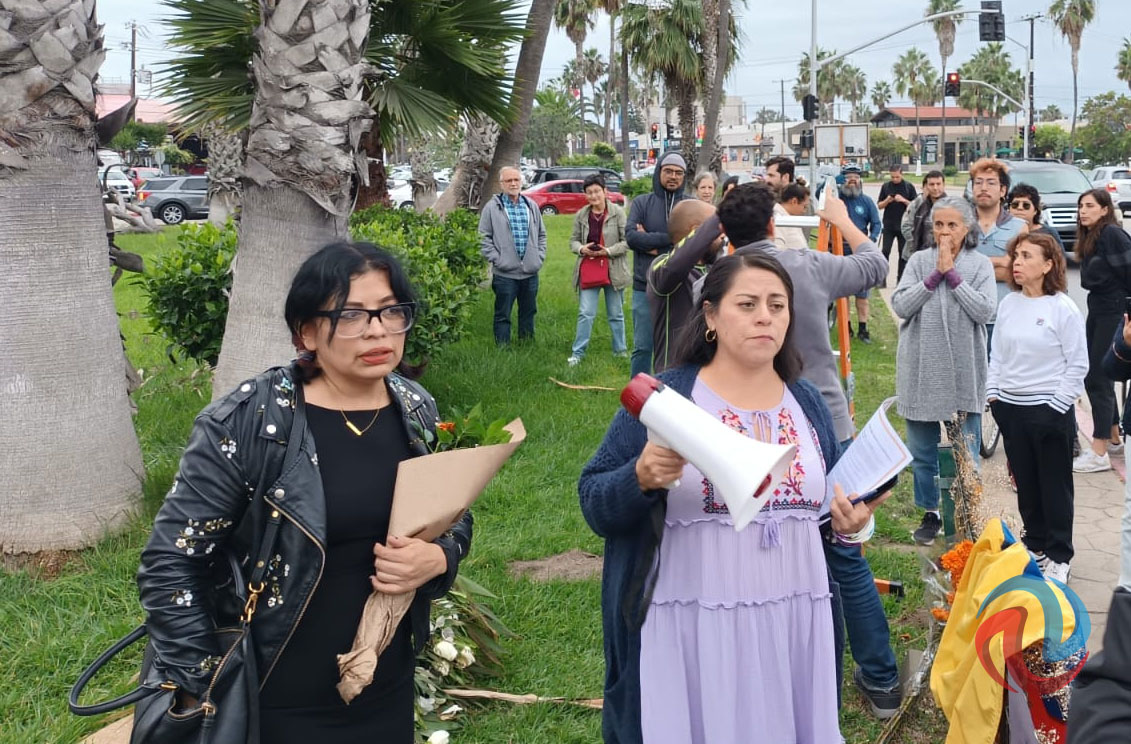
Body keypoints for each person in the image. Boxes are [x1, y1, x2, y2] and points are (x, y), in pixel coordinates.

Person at [137, 243, 473, 742]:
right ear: (306, 331)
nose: (378, 330)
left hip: (384, 682)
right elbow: (171, 561)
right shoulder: (250, 422)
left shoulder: (415, 408)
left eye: (390, 312)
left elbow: (452, 512)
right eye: (352, 315)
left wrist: (440, 558)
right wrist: (204, 683)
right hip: (273, 698)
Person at [580, 251, 887, 744]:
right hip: (691, 624)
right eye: (747, 304)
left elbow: (824, 513)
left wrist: (851, 525)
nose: (765, 316)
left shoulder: (806, 402)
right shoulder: (669, 399)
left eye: (777, 305)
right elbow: (593, 497)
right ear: (710, 316)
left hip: (793, 619)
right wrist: (638, 478)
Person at [719, 182, 901, 718]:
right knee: (843, 554)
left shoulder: (720, 283)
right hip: (823, 426)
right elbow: (874, 266)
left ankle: (773, 679)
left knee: (760, 555)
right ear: (774, 225)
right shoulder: (809, 266)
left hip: (750, 433)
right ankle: (880, 680)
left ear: (728, 235)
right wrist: (841, 219)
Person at [892, 196, 997, 545]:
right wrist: (934, 275)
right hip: (920, 368)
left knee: (965, 451)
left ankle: (969, 513)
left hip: (963, 371)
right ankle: (931, 512)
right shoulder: (919, 261)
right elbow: (901, 305)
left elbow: (984, 311)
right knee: (922, 452)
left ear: (966, 229)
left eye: (952, 225)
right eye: (938, 224)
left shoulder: (980, 265)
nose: (944, 231)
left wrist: (953, 275)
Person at [985, 232, 1087, 584]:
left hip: (1050, 413)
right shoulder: (1009, 304)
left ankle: (1060, 555)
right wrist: (993, 395)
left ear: (1047, 265)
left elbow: (1078, 365)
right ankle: (1036, 546)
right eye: (1015, 255)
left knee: (1054, 486)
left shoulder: (1062, 308)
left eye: (1026, 256)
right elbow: (996, 354)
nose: (1016, 262)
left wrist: (1055, 406)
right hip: (1011, 410)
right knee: (1026, 484)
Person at [1072, 188, 1131, 473]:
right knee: (1096, 374)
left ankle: (1099, 450)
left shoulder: (1112, 235)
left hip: (1113, 310)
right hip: (1098, 309)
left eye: (1090, 206)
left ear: (1105, 209)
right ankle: (1115, 438)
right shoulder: (1093, 237)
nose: (1083, 210)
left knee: (1098, 376)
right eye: (1081, 206)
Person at [627, 151, 689, 376]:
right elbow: (632, 238)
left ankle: (670, 394)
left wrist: (652, 243)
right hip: (644, 286)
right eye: (668, 171)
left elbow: (697, 241)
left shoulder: (689, 204)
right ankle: (636, 399)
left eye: (678, 173)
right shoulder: (642, 203)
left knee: (678, 348)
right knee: (643, 347)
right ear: (659, 172)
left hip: (681, 289)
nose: (673, 176)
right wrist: (673, 240)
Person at [646, 199, 724, 372]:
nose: (722, 237)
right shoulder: (660, 268)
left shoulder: (714, 268)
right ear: (697, 232)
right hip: (674, 374)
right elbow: (674, 267)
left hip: (709, 373)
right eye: (717, 231)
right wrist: (720, 216)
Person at [478, 166, 547, 346]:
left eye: (516, 180)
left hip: (530, 272)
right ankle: (503, 348)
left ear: (521, 182)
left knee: (528, 311)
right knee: (503, 314)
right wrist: (498, 259)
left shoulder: (530, 205)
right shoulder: (492, 208)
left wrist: (538, 258)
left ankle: (527, 345)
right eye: (509, 180)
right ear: (501, 184)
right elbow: (483, 237)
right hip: (505, 274)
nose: (513, 183)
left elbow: (542, 235)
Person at [568, 174, 630, 366]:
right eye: (589, 193)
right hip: (589, 268)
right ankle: (577, 354)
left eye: (597, 191)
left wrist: (608, 251)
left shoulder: (618, 212)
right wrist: (581, 249)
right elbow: (573, 240)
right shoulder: (581, 214)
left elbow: (627, 241)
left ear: (605, 192)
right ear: (585, 195)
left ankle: (620, 351)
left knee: (616, 313)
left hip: (613, 269)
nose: (594, 196)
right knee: (586, 312)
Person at [966, 158, 1026, 343]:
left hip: (1005, 319)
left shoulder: (1019, 227)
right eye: (978, 182)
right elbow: (955, 270)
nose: (983, 188)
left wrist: (975, 265)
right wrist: (1001, 261)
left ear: (1003, 190)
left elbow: (1018, 274)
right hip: (967, 318)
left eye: (991, 183)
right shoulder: (960, 225)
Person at [839, 166, 882, 343]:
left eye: (855, 178)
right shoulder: (837, 200)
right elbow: (819, 194)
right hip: (841, 251)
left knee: (862, 294)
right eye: (848, 178)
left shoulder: (866, 201)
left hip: (861, 252)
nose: (852, 181)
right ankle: (846, 326)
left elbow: (877, 224)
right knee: (844, 293)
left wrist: (870, 240)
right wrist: (838, 179)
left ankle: (863, 329)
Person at [900, 170, 947, 279]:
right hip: (916, 256)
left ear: (944, 185)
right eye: (931, 184)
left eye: (938, 184)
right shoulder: (917, 205)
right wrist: (916, 246)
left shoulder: (952, 206)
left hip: (941, 259)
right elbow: (906, 227)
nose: (935, 188)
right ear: (926, 186)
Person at [876, 164, 917, 286]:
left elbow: (915, 206)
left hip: (904, 225)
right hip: (888, 224)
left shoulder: (908, 187)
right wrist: (887, 200)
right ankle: (882, 280)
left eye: (897, 177)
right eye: (892, 177)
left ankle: (900, 280)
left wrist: (903, 200)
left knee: (902, 253)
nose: (895, 179)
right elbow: (879, 205)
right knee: (885, 251)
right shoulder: (886, 186)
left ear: (901, 174)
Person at [764, 155, 808, 254]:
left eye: (771, 175)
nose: (767, 180)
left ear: (786, 177)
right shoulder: (767, 203)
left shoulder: (801, 204)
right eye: (767, 175)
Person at [1007, 183, 1065, 252]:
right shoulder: (1001, 230)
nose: (1020, 208)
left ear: (1035, 210)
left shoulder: (1048, 232)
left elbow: (1060, 259)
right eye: (1015, 205)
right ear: (1008, 209)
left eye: (1026, 205)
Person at [774, 182, 811, 250]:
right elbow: (777, 251)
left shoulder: (787, 218)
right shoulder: (778, 220)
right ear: (794, 201)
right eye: (804, 207)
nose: (804, 211)